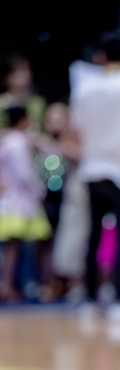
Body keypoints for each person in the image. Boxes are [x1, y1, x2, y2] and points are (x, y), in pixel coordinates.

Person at [69, 32, 120, 318]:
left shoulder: (85, 86)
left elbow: (77, 129)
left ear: (101, 56)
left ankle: (90, 298)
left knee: (93, 234)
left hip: (92, 167)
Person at [0, 106, 51, 300]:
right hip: (20, 203)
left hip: (9, 200)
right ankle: (13, 286)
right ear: (23, 120)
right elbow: (24, 174)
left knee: (12, 247)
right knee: (19, 247)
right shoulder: (19, 142)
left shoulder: (6, 141)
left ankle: (10, 285)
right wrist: (39, 190)